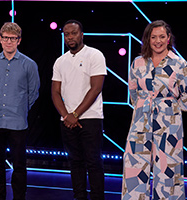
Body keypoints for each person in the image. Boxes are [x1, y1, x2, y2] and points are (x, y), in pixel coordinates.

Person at [122, 20, 186, 200]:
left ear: (168, 39)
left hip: (169, 123)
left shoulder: (179, 64)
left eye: (162, 37)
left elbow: (185, 97)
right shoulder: (137, 63)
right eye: (153, 37)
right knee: (134, 168)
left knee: (168, 171)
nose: (157, 41)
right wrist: (145, 106)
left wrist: (167, 108)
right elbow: (133, 93)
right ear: (147, 39)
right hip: (141, 121)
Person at [51, 19, 107, 200]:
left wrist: (75, 114)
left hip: (90, 118)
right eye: (66, 34)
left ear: (81, 34)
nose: (70, 37)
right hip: (67, 121)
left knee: (93, 162)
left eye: (73, 33)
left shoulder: (95, 55)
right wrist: (66, 116)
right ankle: (79, 197)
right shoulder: (60, 61)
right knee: (75, 162)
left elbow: (96, 88)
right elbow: (55, 92)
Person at [0, 22, 40, 200]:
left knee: (19, 164)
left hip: (18, 123)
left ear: (19, 40)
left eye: (13, 38)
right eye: (6, 38)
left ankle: (18, 197)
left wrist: (20, 108)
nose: (9, 42)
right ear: (0, 39)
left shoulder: (29, 64)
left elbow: (33, 92)